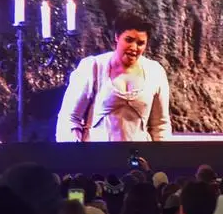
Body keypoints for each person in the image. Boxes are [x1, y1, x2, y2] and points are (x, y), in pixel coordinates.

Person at [56, 11, 172, 142]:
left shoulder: (155, 72)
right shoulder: (92, 67)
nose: (134, 47)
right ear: (117, 37)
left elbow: (160, 125)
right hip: (98, 156)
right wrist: (74, 156)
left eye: (140, 43)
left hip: (138, 155)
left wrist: (161, 159)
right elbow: (70, 118)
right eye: (129, 40)